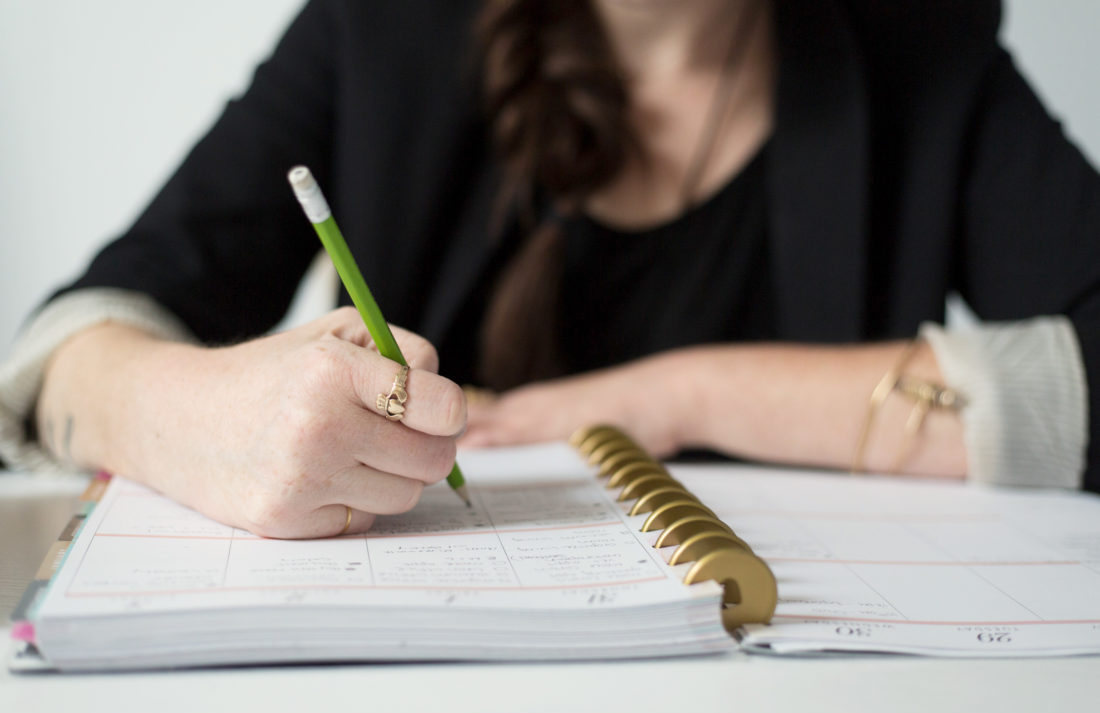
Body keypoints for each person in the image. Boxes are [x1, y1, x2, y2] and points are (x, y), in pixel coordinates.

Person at [1, 0, 1097, 539]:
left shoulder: (919, 44)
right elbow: (66, 349)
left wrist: (667, 397)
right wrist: (210, 414)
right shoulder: (383, 29)